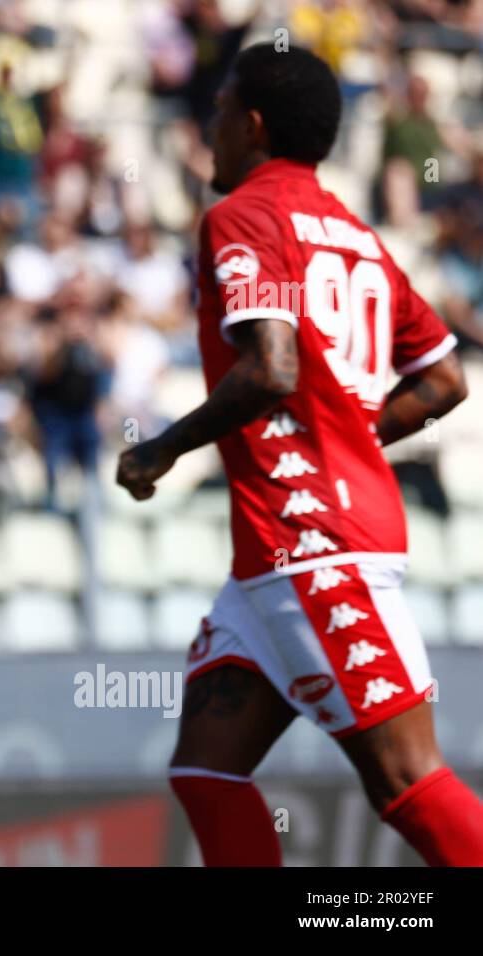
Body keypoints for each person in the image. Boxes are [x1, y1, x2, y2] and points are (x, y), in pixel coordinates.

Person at [117, 43, 483, 866]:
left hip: (312, 542)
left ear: (250, 125)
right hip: (275, 558)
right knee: (207, 772)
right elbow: (446, 377)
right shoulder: (356, 235)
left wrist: (163, 450)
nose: (207, 132)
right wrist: (355, 433)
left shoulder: (242, 214)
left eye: (216, 115)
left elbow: (271, 367)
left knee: (404, 778)